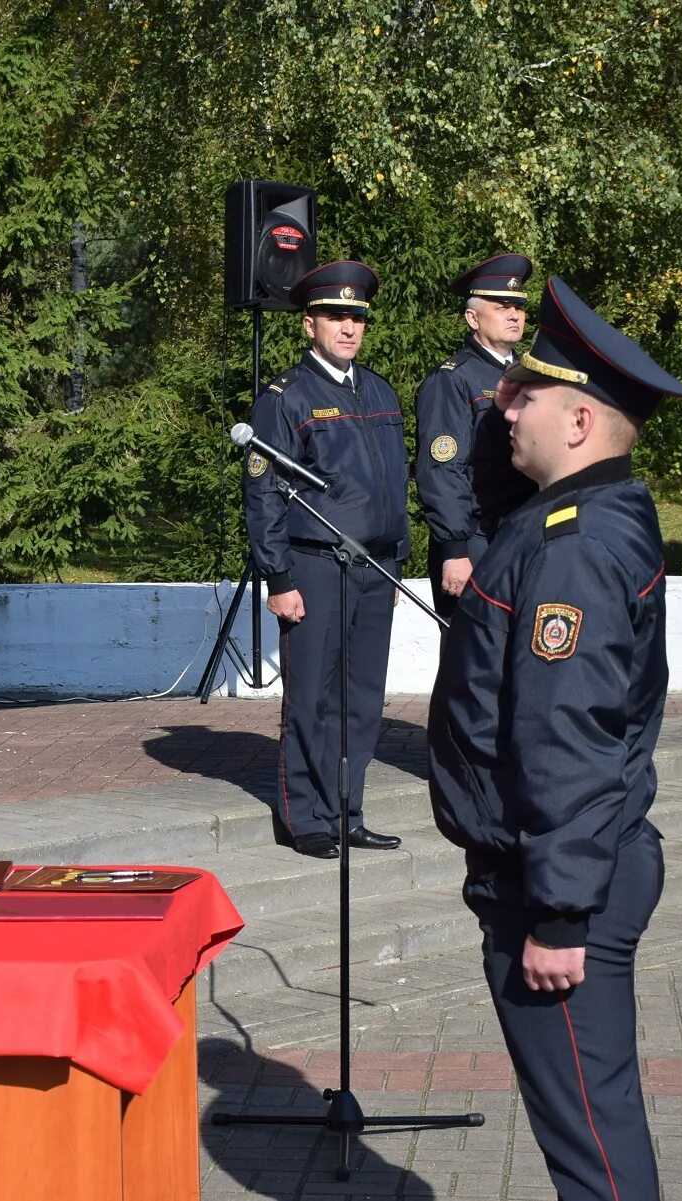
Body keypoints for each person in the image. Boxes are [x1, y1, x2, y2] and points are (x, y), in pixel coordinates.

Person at [428, 275, 682, 1200]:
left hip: (558, 885)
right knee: (591, 1123)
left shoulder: (574, 544)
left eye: (524, 391)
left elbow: (566, 734)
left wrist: (558, 916)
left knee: (593, 1143)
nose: (503, 402)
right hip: (562, 867)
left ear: (579, 423)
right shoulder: (573, 516)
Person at [243, 260, 409, 859]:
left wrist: (399, 560)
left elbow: (395, 484)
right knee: (311, 694)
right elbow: (262, 492)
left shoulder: (380, 390)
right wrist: (278, 576)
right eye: (336, 316)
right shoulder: (285, 399)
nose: (349, 326)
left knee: (362, 697)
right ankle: (307, 817)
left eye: (357, 316)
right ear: (308, 325)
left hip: (374, 568)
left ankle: (348, 809)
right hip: (314, 567)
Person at [415, 254, 539, 617]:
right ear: (473, 317)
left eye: (518, 306)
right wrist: (454, 550)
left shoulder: (533, 376)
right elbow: (441, 470)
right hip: (477, 540)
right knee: (472, 659)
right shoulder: (453, 379)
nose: (514, 314)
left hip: (522, 534)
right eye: (502, 307)